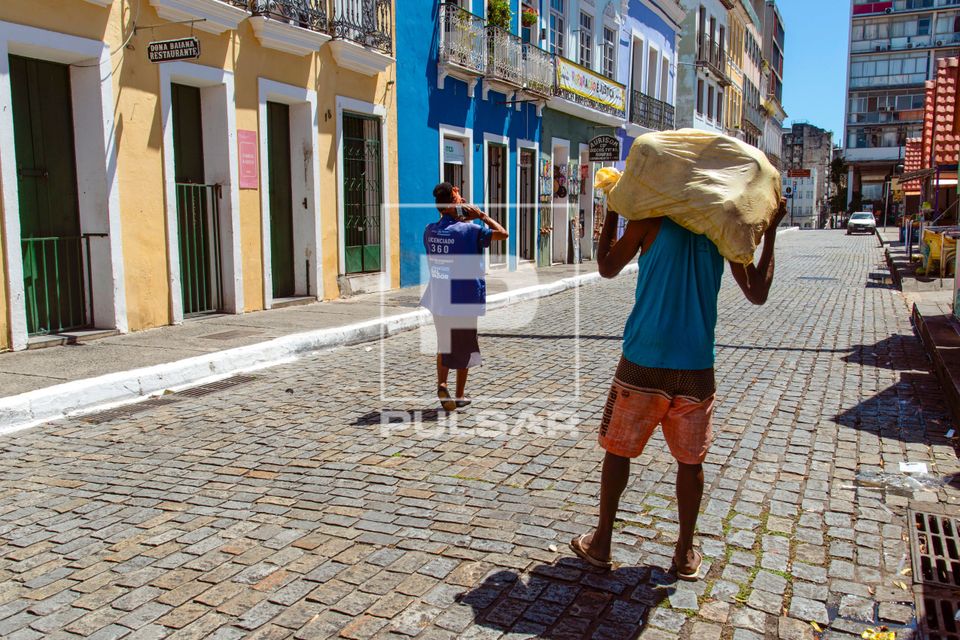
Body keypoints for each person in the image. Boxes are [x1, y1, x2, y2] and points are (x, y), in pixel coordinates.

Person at [570, 200, 788, 578]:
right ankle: (684, 553)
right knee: (691, 462)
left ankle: (602, 542)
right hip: (696, 365)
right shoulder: (722, 228)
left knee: (618, 452)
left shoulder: (649, 218)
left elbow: (606, 267)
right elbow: (758, 293)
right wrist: (769, 234)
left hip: (643, 360)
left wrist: (617, 211)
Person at [421, 183, 508, 411]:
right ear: (452, 203)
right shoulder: (470, 231)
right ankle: (459, 395)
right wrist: (482, 215)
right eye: (459, 196)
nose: (462, 198)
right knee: (466, 346)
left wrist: (462, 220)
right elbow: (503, 234)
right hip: (464, 297)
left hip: (439, 296)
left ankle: (442, 383)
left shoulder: (430, 230)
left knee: (444, 343)